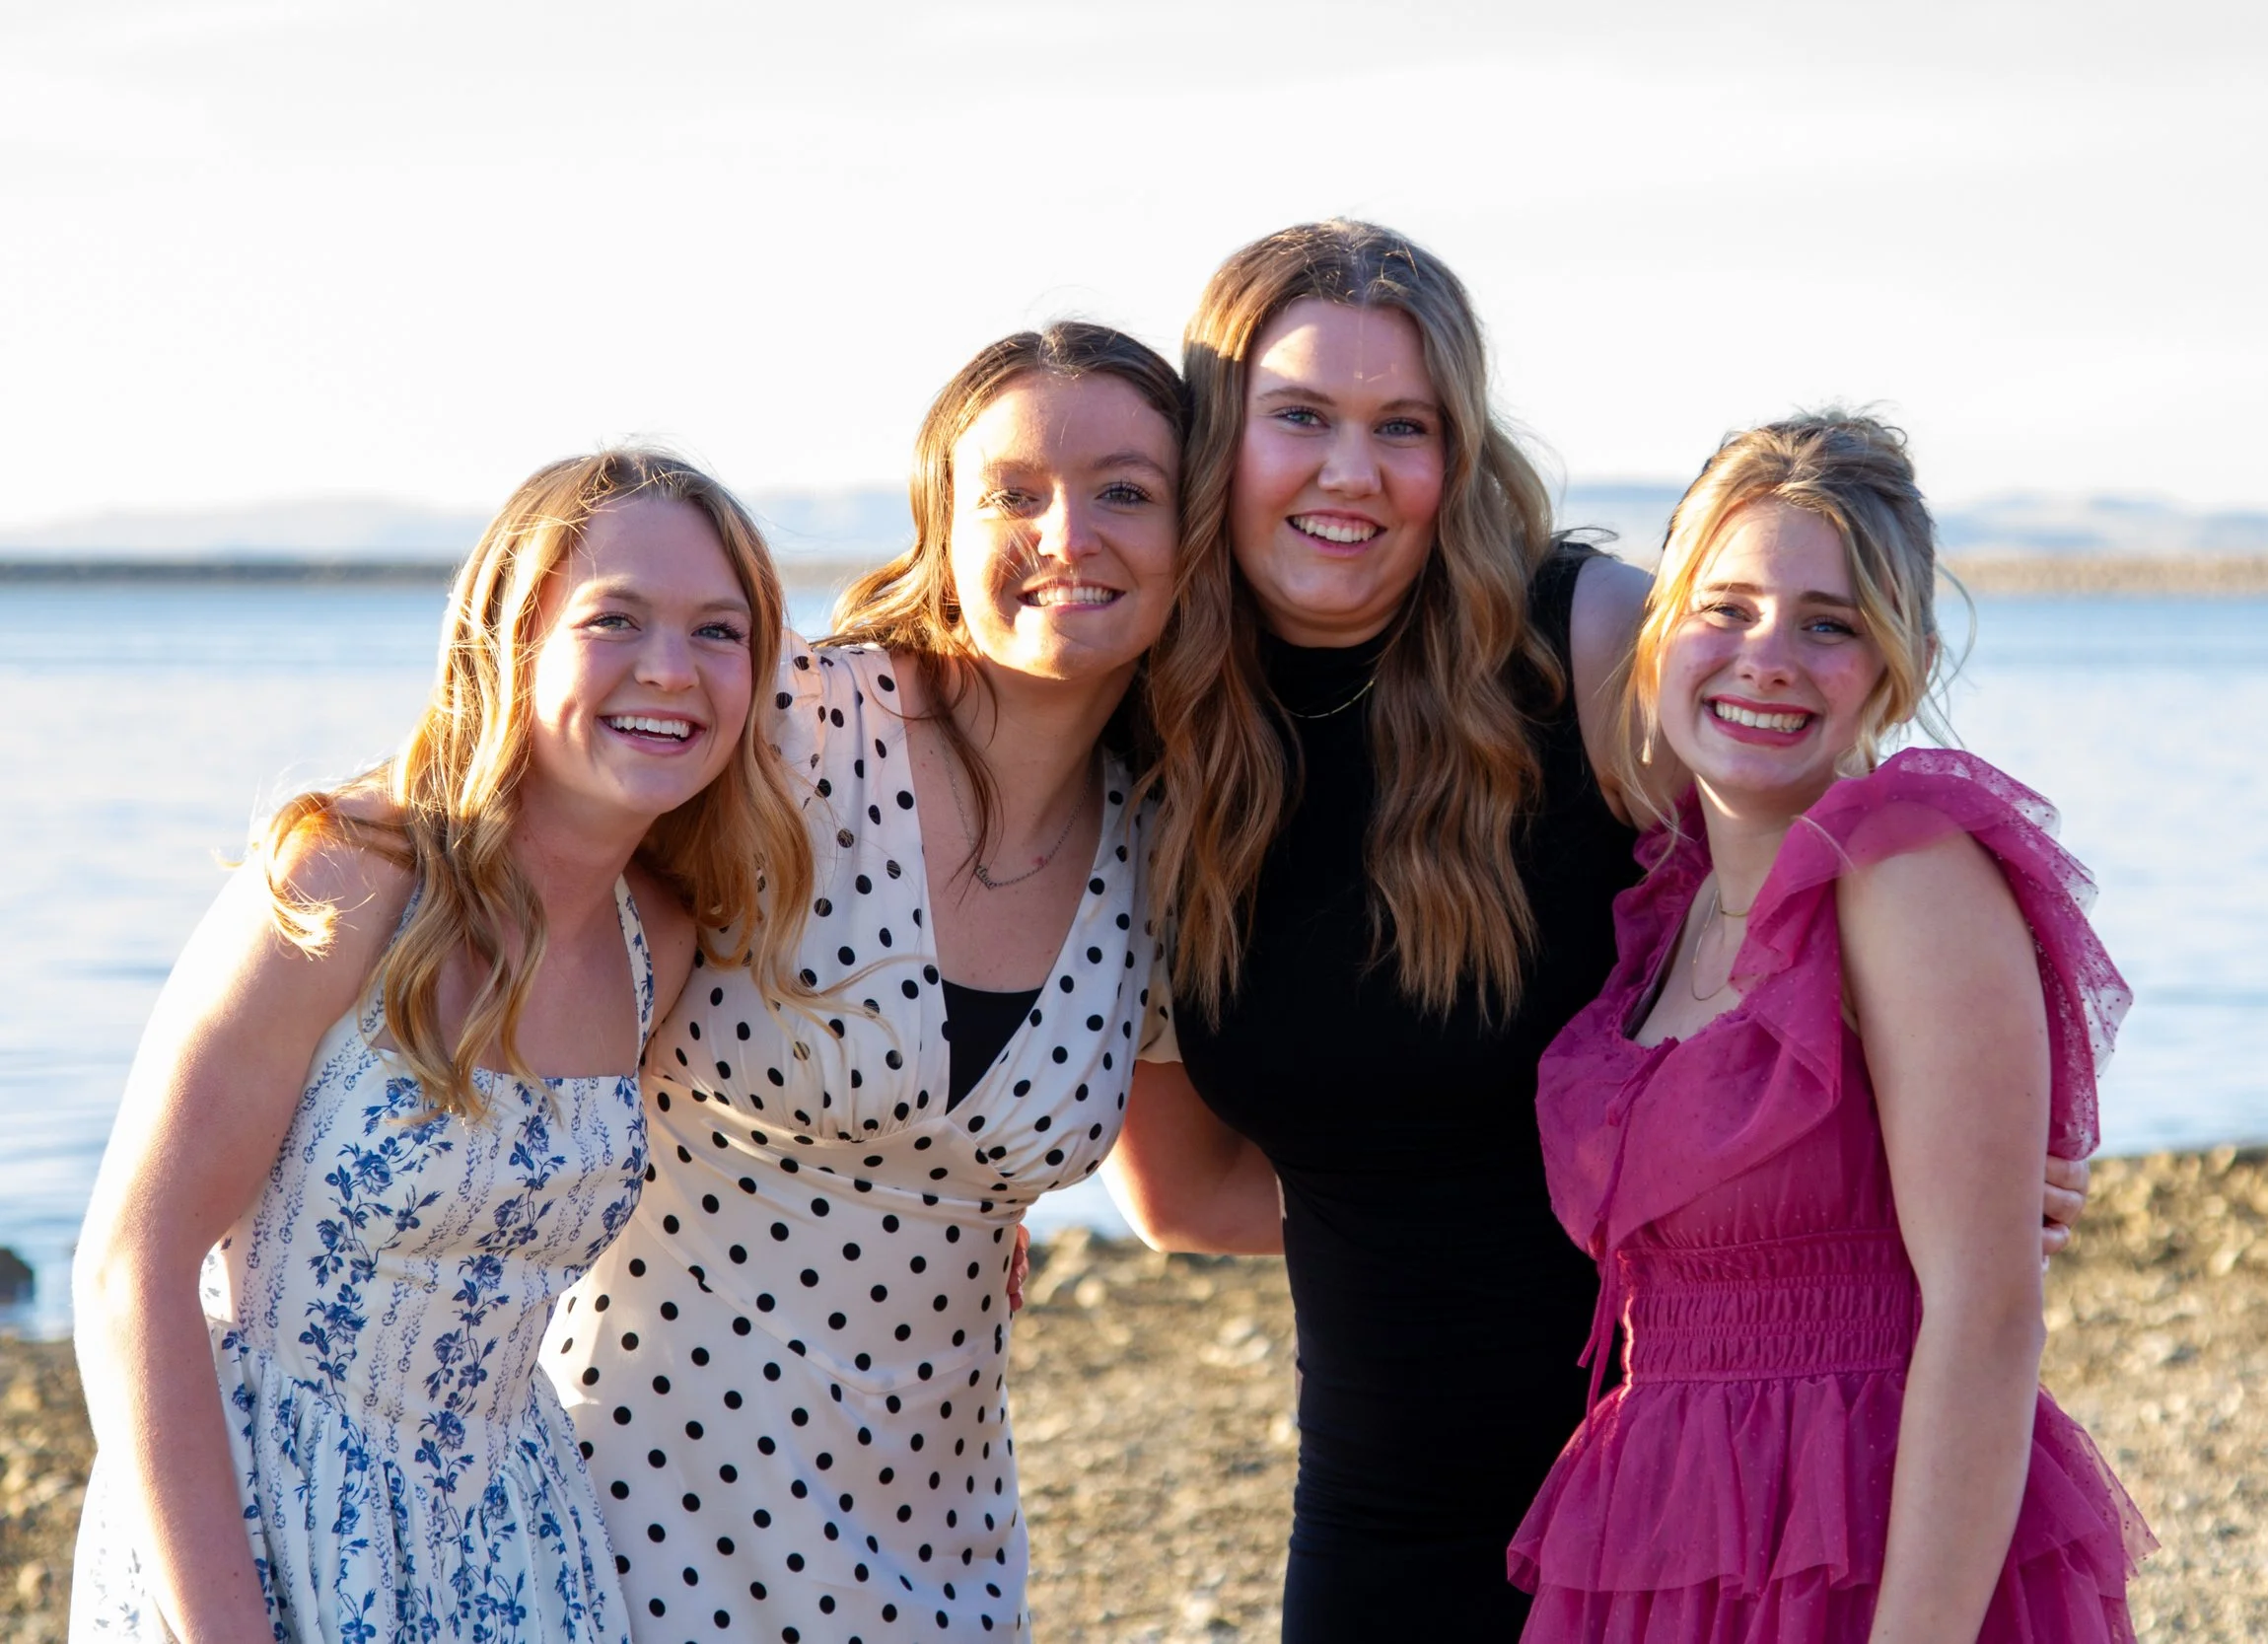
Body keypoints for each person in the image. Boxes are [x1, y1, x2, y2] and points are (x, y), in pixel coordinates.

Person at [1102, 221, 2094, 1642]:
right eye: (1300, 415)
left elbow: (1814, 790)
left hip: (1725, 1494)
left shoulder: (1584, 643)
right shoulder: (1165, 737)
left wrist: (1947, 1170)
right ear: (1217, 439)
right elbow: (1182, 1192)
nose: (1351, 468)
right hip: (1383, 1511)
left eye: (1407, 423)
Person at [70, 450, 811, 1642]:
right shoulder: (347, 881)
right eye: (614, 618)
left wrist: (984, 1198)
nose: (670, 669)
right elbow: (128, 1267)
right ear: (507, 639)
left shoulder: (656, 943)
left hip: (519, 1532)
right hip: (266, 1519)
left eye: (718, 631)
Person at [547, 323, 1183, 1643]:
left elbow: (1190, 1191)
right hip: (628, 1497)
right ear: (939, 524)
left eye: (1126, 489)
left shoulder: (1170, 844)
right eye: (1013, 492)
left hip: (930, 1549)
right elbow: (497, 867)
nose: (1067, 532)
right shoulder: (784, 728)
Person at [1507, 411, 2150, 1640]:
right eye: (1726, 606)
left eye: (1829, 622)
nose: (1767, 656)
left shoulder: (1903, 867)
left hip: (1867, 1538)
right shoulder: (1663, 908)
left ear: (1892, 666)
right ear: (1658, 637)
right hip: (1658, 1531)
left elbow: (1987, 1312)